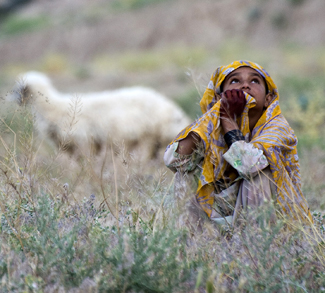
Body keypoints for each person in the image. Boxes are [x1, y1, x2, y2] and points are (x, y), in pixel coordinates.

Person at [164, 60, 312, 231]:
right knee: (187, 172)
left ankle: (258, 245)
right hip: (218, 215)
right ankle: (192, 243)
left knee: (260, 173)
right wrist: (218, 114)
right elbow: (173, 160)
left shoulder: (278, 128)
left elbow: (250, 165)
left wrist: (228, 121)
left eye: (254, 81)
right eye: (235, 81)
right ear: (220, 96)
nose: (245, 86)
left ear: (268, 99)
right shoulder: (211, 124)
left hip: (271, 220)